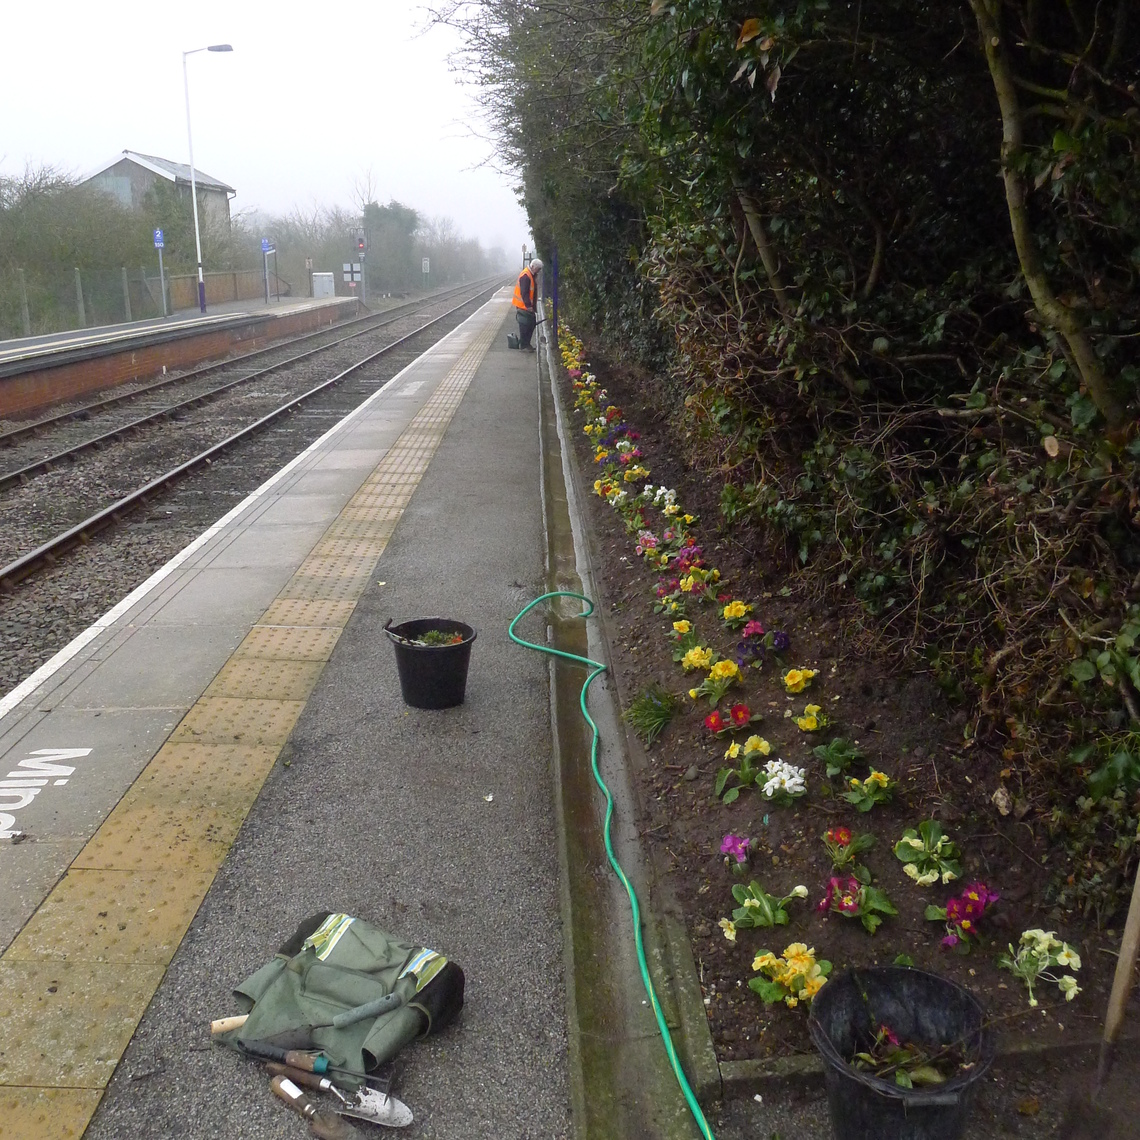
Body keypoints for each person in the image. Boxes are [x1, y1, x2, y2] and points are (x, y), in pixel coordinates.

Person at [512, 258, 543, 350]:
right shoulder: (526, 276)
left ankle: (526, 344)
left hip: (525, 306)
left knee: (530, 324)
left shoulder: (530, 274)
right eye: (538, 269)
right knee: (525, 326)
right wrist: (528, 306)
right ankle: (524, 345)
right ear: (533, 267)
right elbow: (524, 292)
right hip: (523, 307)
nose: (538, 271)